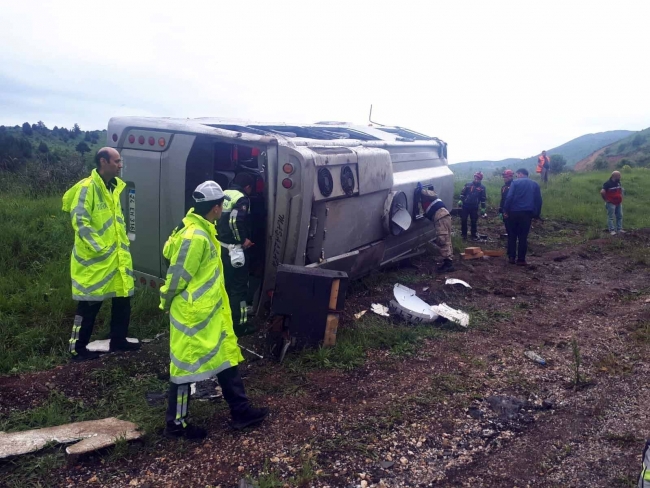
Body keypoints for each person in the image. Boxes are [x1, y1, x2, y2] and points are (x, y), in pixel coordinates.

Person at [160, 181, 268, 439]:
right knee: (185, 369)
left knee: (225, 359)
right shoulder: (195, 236)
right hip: (193, 316)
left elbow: (167, 251)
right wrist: (166, 301)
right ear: (217, 208)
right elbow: (177, 276)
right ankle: (176, 425)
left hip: (210, 313)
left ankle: (241, 411)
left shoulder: (198, 228)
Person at [61, 147, 139, 362]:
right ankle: (77, 349)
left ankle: (118, 341)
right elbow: (80, 222)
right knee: (87, 307)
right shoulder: (88, 187)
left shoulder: (113, 188)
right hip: (94, 263)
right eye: (116, 161)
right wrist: (101, 249)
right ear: (103, 162)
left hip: (117, 261)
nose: (120, 165)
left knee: (122, 301)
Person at [217, 172, 256, 336]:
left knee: (224, 285)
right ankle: (240, 326)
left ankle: (221, 321)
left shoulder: (224, 193)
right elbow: (235, 221)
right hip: (235, 250)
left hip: (221, 247)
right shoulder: (241, 198)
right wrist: (243, 240)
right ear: (247, 187)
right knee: (239, 288)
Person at [503, 168, 542, 266]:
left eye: (517, 174)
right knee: (523, 237)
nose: (517, 176)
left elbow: (509, 197)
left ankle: (511, 257)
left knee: (512, 236)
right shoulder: (535, 184)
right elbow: (538, 200)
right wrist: (536, 214)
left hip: (513, 213)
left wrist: (505, 210)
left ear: (520, 174)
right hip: (527, 214)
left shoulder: (515, 183)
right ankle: (521, 260)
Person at [419, 185, 455, 272]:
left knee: (443, 239)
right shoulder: (429, 201)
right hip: (443, 217)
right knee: (446, 238)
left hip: (441, 217)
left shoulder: (430, 195)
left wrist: (420, 190)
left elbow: (429, 193)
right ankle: (449, 260)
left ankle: (448, 264)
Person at [458, 172, 487, 240]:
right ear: (474, 177)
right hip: (465, 206)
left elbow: (483, 198)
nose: (476, 179)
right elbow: (462, 193)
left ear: (480, 179)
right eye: (476, 178)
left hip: (474, 207)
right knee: (464, 220)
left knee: (473, 221)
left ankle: (473, 235)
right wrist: (461, 200)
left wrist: (483, 208)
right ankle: (464, 234)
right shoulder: (468, 185)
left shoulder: (482, 188)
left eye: (478, 178)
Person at [600, 170, 624, 236]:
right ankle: (612, 230)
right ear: (614, 176)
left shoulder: (618, 182)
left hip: (618, 202)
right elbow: (602, 192)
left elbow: (620, 190)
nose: (620, 177)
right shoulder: (607, 183)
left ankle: (619, 229)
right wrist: (606, 200)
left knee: (619, 216)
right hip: (611, 203)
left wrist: (620, 196)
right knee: (611, 217)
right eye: (619, 176)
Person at [498, 169, 515, 237]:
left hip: (513, 209)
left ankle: (513, 236)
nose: (505, 179)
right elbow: (503, 199)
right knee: (506, 223)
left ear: (510, 177)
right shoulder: (503, 187)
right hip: (505, 209)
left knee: (513, 225)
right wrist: (500, 209)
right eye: (504, 177)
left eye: (506, 177)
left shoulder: (515, 186)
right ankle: (509, 235)